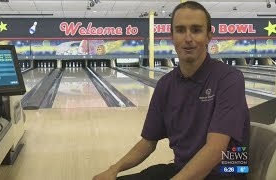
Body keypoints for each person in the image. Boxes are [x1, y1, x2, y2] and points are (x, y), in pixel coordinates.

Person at [93, 1, 249, 180]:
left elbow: (215, 149)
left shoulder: (229, 78)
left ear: (208, 36)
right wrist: (114, 169)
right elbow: (148, 143)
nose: (188, 38)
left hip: (226, 175)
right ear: (172, 36)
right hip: (182, 170)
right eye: (181, 30)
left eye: (196, 30)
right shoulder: (166, 85)